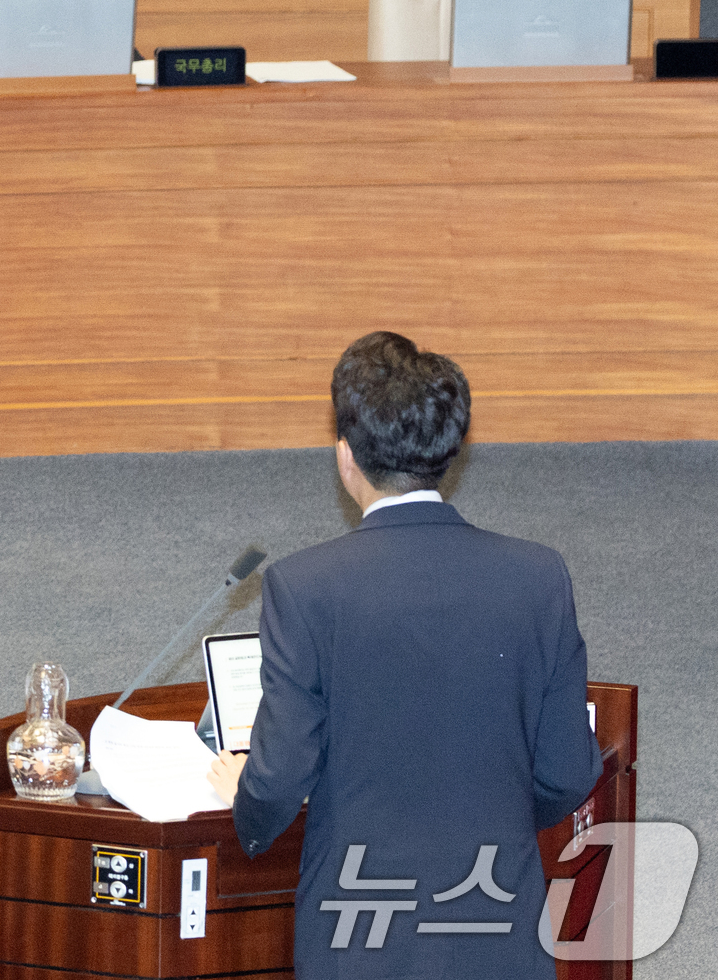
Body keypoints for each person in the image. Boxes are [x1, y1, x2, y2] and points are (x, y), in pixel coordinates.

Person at [209, 331, 601, 979]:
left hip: (360, 936)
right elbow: (565, 771)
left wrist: (244, 807)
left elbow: (280, 776)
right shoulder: (538, 576)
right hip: (495, 919)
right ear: (452, 450)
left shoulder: (305, 588)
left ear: (346, 456)